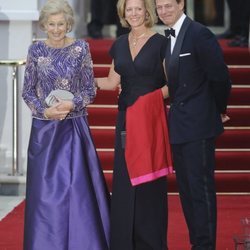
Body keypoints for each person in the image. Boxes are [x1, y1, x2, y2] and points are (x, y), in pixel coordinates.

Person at [22, 0, 110, 249]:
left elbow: (89, 89)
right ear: (43, 25)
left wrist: (72, 105)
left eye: (61, 24)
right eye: (51, 24)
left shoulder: (81, 48)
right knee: (45, 193)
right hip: (45, 130)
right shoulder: (36, 51)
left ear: (69, 23)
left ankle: (85, 242)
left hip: (74, 128)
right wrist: (45, 111)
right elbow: (27, 91)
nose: (57, 29)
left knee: (78, 190)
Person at [95, 0, 173, 249]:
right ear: (123, 14)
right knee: (125, 179)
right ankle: (123, 242)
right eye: (129, 9)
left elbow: (173, 84)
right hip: (125, 120)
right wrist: (80, 79)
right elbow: (110, 82)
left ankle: (149, 242)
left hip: (150, 119)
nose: (134, 13)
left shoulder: (161, 43)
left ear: (147, 12)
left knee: (148, 182)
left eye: (139, 8)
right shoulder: (119, 44)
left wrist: (149, 102)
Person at [155, 0, 231, 249]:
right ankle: (197, 244)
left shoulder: (199, 33)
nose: (163, 11)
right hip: (178, 125)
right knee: (187, 193)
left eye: (168, 5)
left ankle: (205, 246)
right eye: (159, 7)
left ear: (181, 4)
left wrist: (217, 110)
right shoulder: (168, 38)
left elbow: (220, 77)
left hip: (198, 125)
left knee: (200, 192)